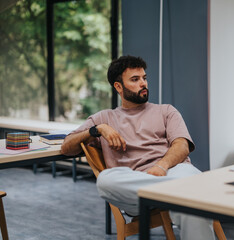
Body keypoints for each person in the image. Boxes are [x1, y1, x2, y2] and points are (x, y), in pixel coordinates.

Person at [61, 55, 215, 240]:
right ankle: (175, 194)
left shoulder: (166, 111)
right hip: (134, 186)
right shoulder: (104, 118)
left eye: (144, 78)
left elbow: (182, 145)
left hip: (172, 172)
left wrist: (161, 166)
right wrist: (96, 130)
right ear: (118, 87)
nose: (143, 83)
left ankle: (175, 193)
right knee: (106, 180)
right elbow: (66, 147)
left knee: (189, 190)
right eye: (135, 79)